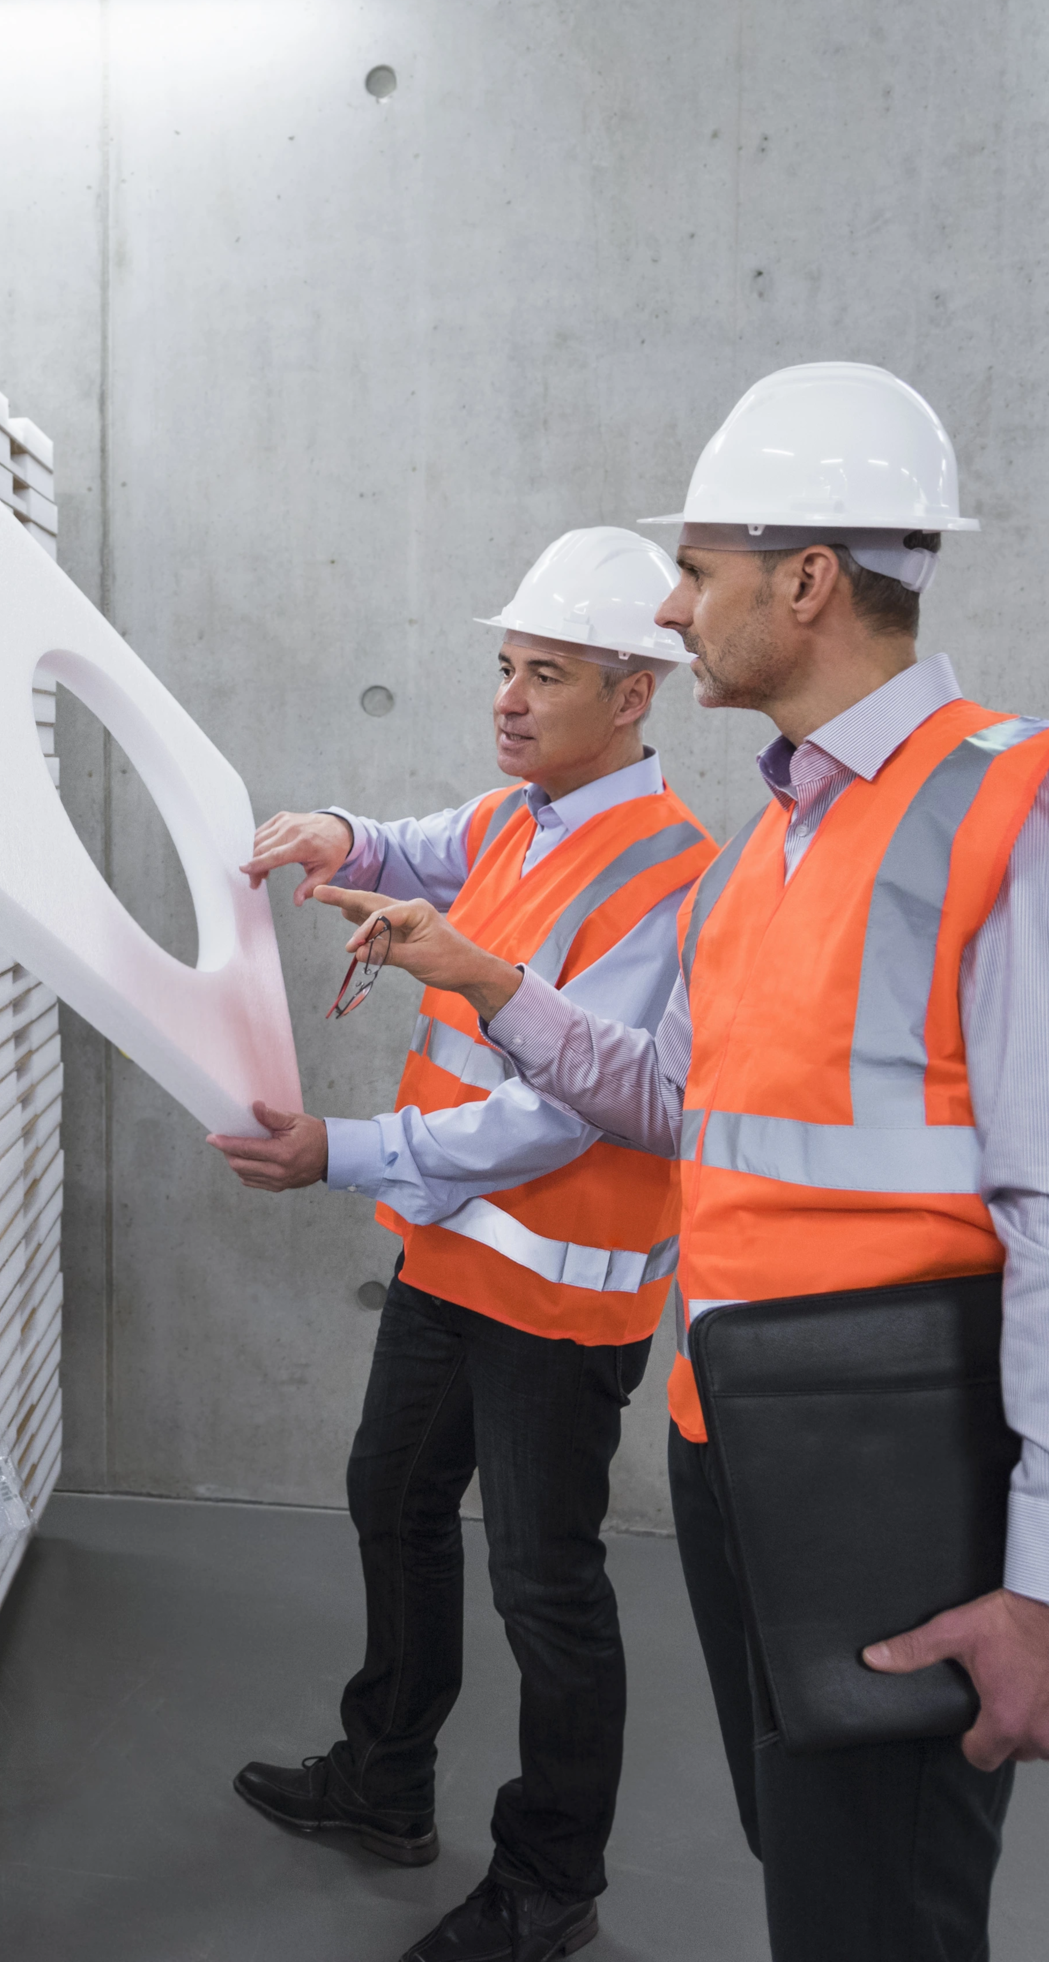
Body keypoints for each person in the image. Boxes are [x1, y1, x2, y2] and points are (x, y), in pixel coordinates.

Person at [312, 362, 1049, 1962]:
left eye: (696, 570)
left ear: (807, 580)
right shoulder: (783, 835)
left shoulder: (1017, 819)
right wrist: (493, 985)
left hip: (894, 1476)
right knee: (813, 1871)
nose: (671, 601)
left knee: (878, 1917)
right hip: (739, 1445)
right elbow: (678, 1103)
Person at [209, 527, 718, 1962]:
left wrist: (344, 1154)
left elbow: (563, 1119)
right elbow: (419, 847)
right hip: (454, 1261)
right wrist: (337, 832)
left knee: (545, 1589)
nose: (507, 699)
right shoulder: (518, 817)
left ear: (635, 696)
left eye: (544, 674)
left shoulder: (668, 874)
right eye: (503, 667)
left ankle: (550, 1883)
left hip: (559, 1298)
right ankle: (385, 1782)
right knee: (393, 1496)